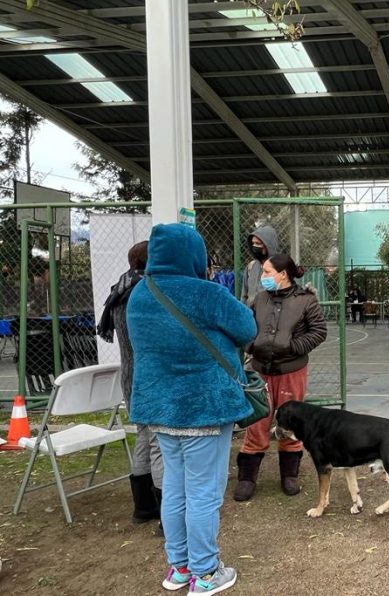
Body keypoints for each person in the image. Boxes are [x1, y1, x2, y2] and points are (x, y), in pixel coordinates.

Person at [128, 224, 257, 595]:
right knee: (203, 492)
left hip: (160, 410)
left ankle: (179, 568)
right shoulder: (207, 293)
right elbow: (247, 328)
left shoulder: (141, 294)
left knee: (175, 488)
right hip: (204, 408)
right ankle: (205, 573)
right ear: (194, 256)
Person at [235, 253, 328, 502]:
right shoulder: (259, 299)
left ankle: (290, 476)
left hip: (291, 371)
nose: (263, 277)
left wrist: (293, 347)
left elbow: (319, 331)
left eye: (267, 272)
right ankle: (246, 478)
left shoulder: (306, 301)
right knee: (256, 423)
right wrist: (252, 346)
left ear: (283, 274)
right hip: (260, 371)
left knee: (290, 422)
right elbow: (244, 327)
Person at [97, 241, 164, 535]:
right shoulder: (145, 291)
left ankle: (143, 507)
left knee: (143, 437)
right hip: (150, 376)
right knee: (158, 443)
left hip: (130, 375)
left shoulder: (119, 290)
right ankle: (167, 513)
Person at [241, 224, 279, 307]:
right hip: (251, 316)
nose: (254, 246)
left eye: (258, 243)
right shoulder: (251, 267)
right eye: (253, 243)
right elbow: (244, 296)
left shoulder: (280, 267)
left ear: (268, 245)